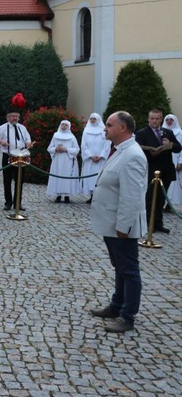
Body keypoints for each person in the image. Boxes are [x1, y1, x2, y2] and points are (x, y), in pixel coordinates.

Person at [89, 111, 146, 333]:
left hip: (121, 225)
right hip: (112, 222)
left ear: (123, 128)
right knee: (120, 267)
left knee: (129, 269)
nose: (105, 128)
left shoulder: (132, 155)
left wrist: (124, 226)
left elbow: (131, 196)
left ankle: (127, 315)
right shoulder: (120, 150)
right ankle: (116, 305)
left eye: (110, 125)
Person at [134, 109, 182, 234]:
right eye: (152, 118)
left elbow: (178, 147)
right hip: (150, 169)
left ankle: (158, 223)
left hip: (166, 170)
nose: (154, 121)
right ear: (148, 119)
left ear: (161, 119)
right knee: (149, 198)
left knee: (161, 198)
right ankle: (149, 224)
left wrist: (169, 145)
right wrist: (151, 152)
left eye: (157, 118)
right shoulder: (141, 133)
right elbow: (137, 150)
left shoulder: (168, 132)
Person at [0, 110, 33, 211]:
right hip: (8, 156)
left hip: (21, 156)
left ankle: (18, 203)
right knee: (7, 180)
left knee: (20, 181)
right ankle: (8, 203)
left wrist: (28, 144)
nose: (15, 118)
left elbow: (28, 140)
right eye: (13, 116)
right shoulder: (3, 128)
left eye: (17, 116)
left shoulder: (22, 128)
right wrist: (1, 141)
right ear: (8, 117)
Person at [47, 120, 81, 203]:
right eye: (62, 124)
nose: (64, 126)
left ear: (68, 126)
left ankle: (67, 196)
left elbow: (76, 149)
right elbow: (49, 148)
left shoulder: (72, 137)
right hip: (57, 160)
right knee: (57, 175)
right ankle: (58, 195)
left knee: (67, 177)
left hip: (68, 160)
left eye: (66, 125)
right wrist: (56, 149)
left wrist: (66, 149)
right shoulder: (55, 136)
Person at [81, 113, 112, 203]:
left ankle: (100, 196)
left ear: (98, 119)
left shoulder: (103, 130)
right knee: (90, 178)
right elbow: (84, 145)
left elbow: (107, 144)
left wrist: (101, 156)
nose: (92, 120)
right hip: (90, 159)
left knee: (99, 177)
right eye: (91, 119)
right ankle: (91, 195)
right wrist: (90, 156)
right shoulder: (86, 130)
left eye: (94, 119)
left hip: (100, 159)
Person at [163, 114, 182, 208]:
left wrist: (180, 162)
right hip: (165, 159)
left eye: (171, 120)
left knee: (174, 184)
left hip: (176, 159)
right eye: (167, 120)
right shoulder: (162, 131)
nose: (169, 121)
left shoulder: (180, 133)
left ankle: (170, 204)